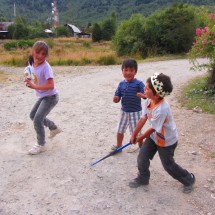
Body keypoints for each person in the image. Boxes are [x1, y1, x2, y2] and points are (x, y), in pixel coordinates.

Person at [129, 73, 195, 193]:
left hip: (167, 141)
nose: (144, 89)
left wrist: (140, 137)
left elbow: (153, 127)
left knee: (168, 165)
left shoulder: (162, 108)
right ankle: (143, 178)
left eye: (147, 88)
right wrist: (134, 134)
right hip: (154, 137)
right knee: (142, 157)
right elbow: (143, 118)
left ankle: (188, 179)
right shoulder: (148, 100)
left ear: (157, 94)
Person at [24, 41, 61, 155]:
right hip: (42, 96)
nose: (40, 56)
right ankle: (53, 128)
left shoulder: (46, 67)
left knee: (37, 119)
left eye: (43, 54)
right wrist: (28, 81)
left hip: (50, 97)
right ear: (32, 51)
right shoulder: (31, 62)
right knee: (32, 116)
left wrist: (35, 86)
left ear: (46, 55)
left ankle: (41, 145)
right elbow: (30, 74)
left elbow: (51, 85)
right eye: (37, 52)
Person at [112, 58, 145, 153]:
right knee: (120, 129)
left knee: (137, 132)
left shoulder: (139, 83)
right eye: (126, 70)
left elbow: (146, 95)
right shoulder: (121, 84)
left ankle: (141, 145)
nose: (128, 73)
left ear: (135, 72)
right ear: (122, 71)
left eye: (131, 70)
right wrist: (116, 99)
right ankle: (119, 146)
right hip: (124, 112)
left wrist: (142, 95)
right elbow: (117, 96)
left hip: (136, 112)